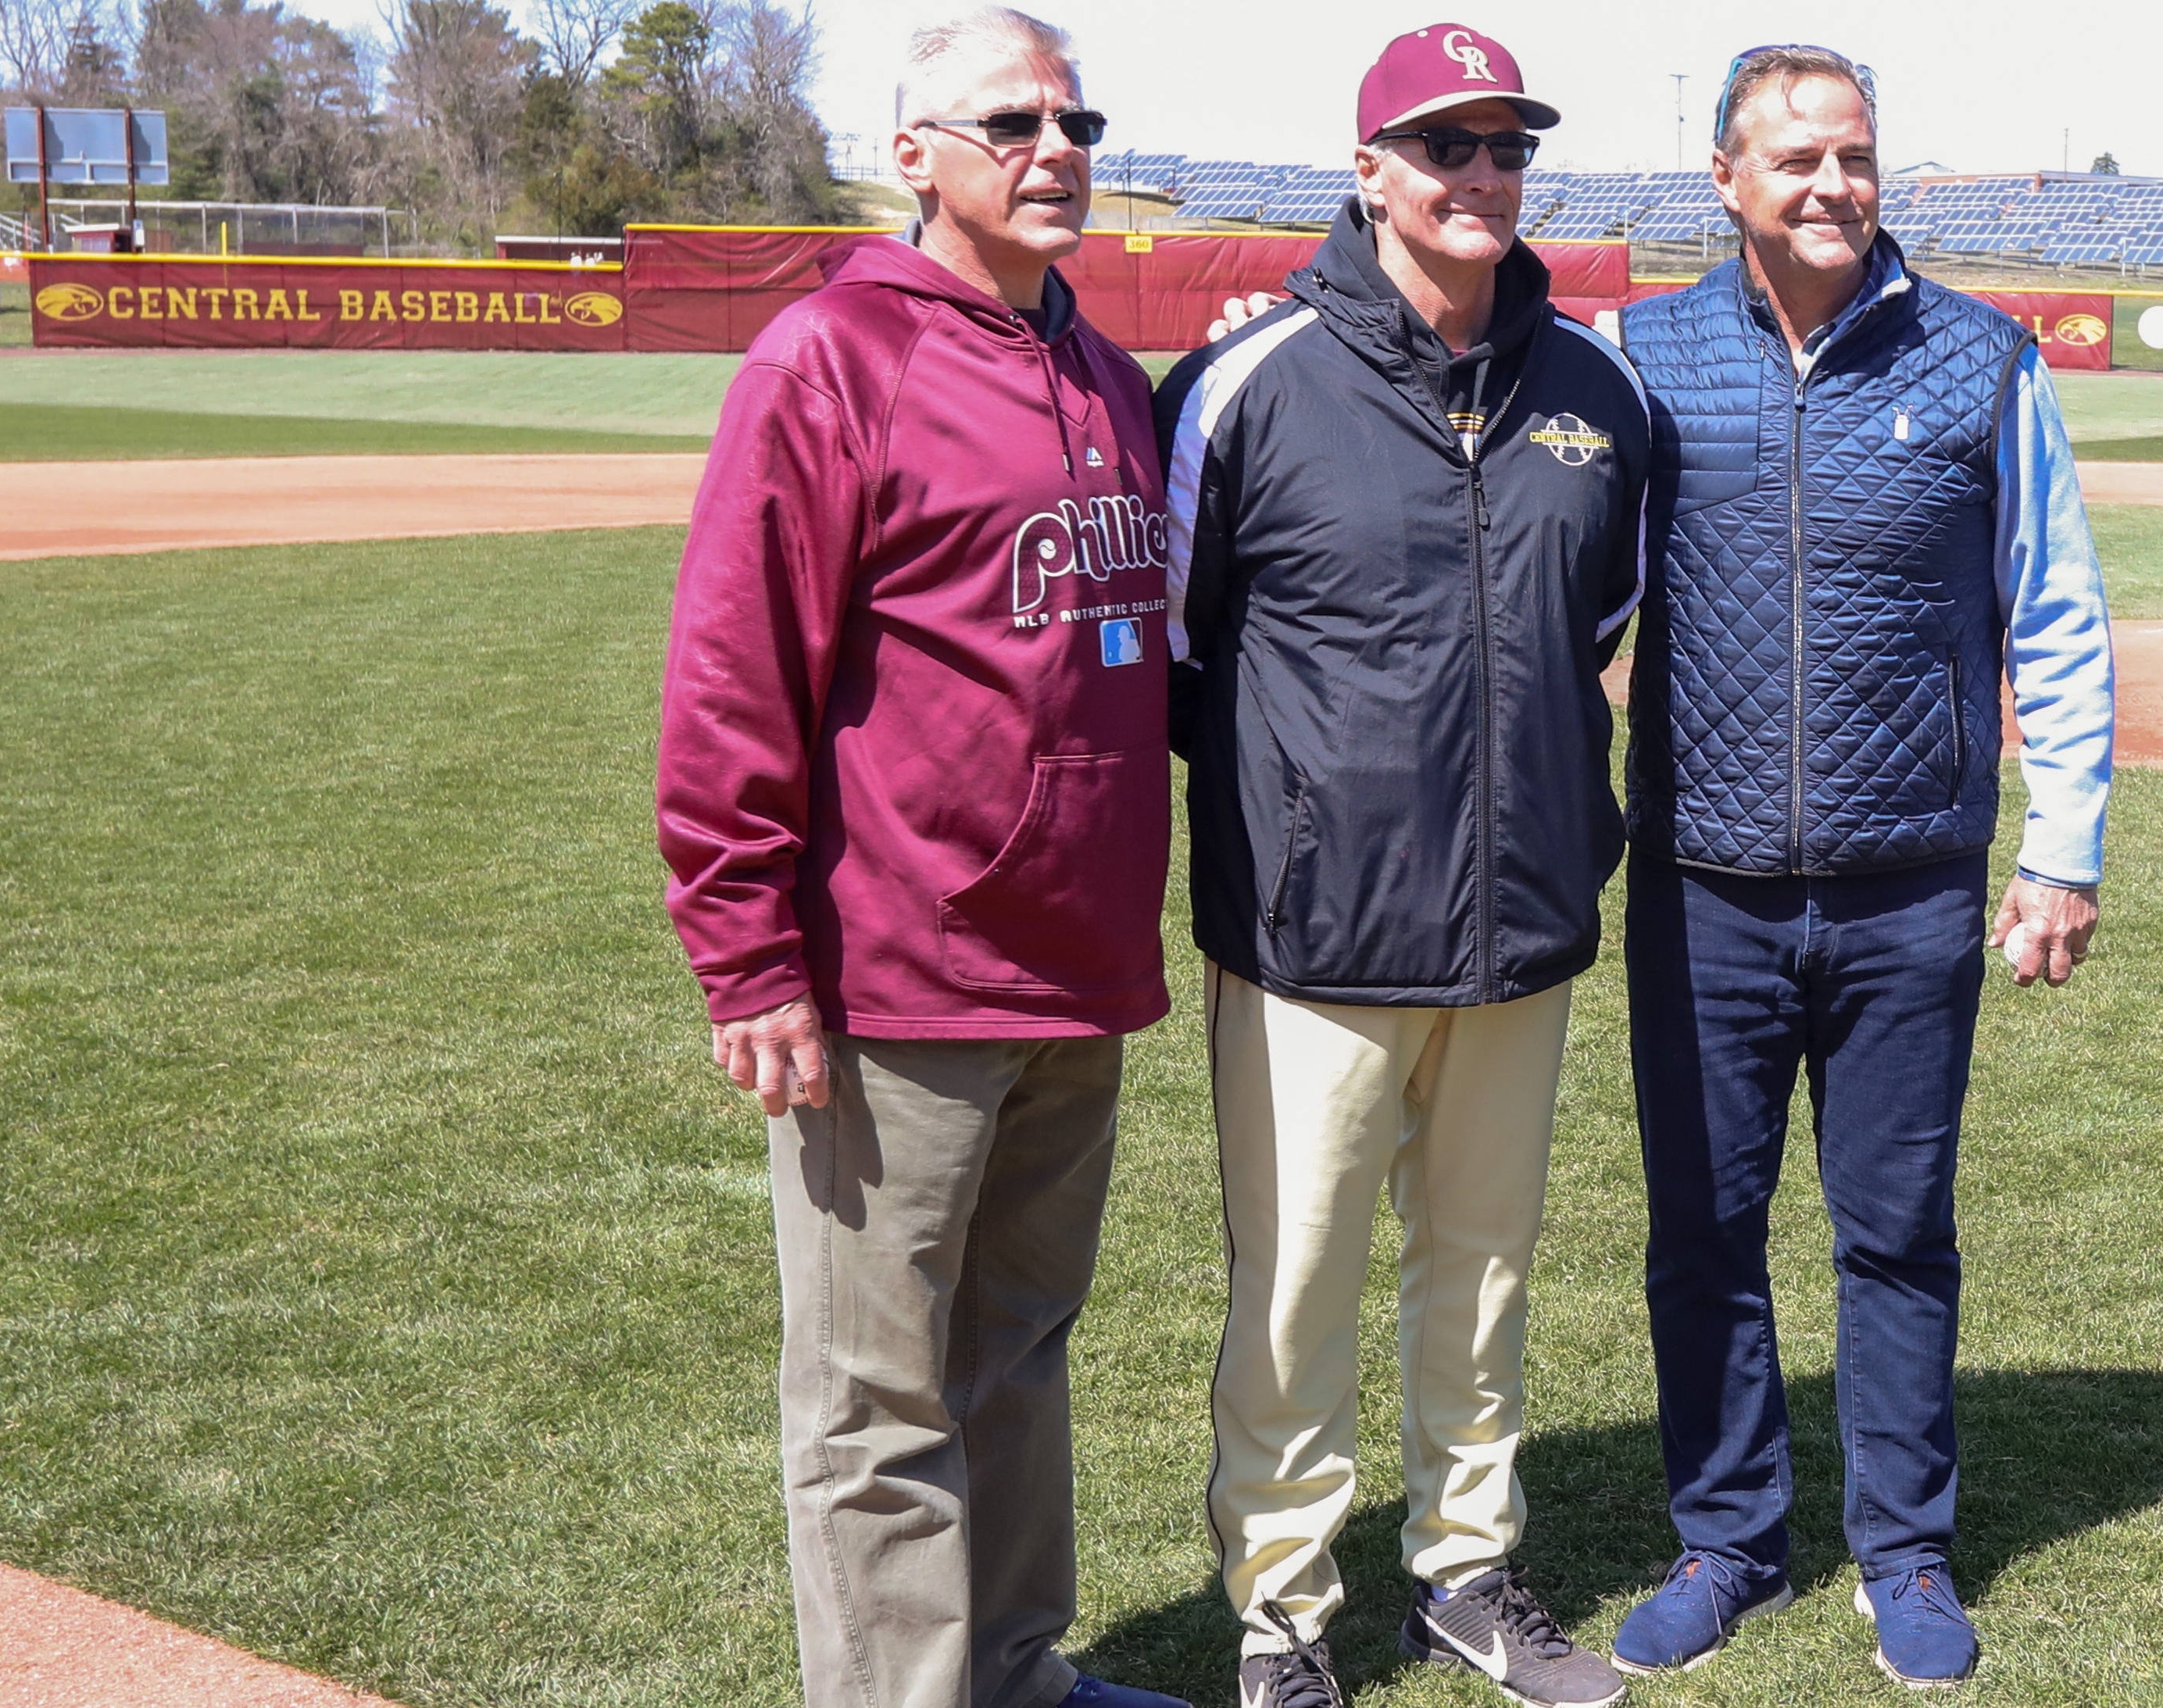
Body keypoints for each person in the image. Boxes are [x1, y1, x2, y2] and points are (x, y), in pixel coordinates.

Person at [652, 11, 1189, 1707]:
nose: (1055, 150)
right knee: (878, 1406)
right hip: (897, 974)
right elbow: (737, 669)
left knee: (1017, 1357)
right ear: (914, 156)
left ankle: (1020, 1672)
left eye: (1074, 119)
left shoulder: (1105, 373)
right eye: (1009, 122)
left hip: (1076, 964)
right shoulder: (828, 361)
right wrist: (750, 956)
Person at [1602, 45, 2115, 1692]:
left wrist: (2063, 847)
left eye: (1856, 157)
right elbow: (1568, 602)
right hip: (1701, 889)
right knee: (1704, 1230)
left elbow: (2057, 611)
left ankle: (1904, 1548)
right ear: (1727, 182)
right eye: (1797, 159)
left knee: (1896, 1232)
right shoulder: (1646, 354)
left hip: (1910, 893)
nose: (1832, 186)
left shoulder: (1979, 360)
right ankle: (1729, 1535)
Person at [1155, 24, 1648, 1708]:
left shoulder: (1598, 391)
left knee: (1486, 1268)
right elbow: (1173, 650)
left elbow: (1597, 626)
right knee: (1293, 1286)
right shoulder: (1250, 379)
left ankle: (1466, 1570)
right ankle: (1283, 1610)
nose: (1484, 176)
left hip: (1522, 921)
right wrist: (1296, 815)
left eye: (1508, 146)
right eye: (1447, 146)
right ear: (1368, 171)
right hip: (1315, 930)